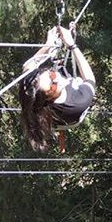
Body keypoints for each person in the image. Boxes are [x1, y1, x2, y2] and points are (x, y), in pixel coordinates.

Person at [18, 25, 95, 153]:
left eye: (51, 74)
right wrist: (72, 45)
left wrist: (48, 46)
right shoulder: (79, 102)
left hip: (52, 112)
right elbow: (90, 79)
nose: (57, 78)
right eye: (53, 84)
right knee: (78, 81)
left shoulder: (31, 92)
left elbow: (28, 67)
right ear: (48, 97)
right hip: (72, 115)